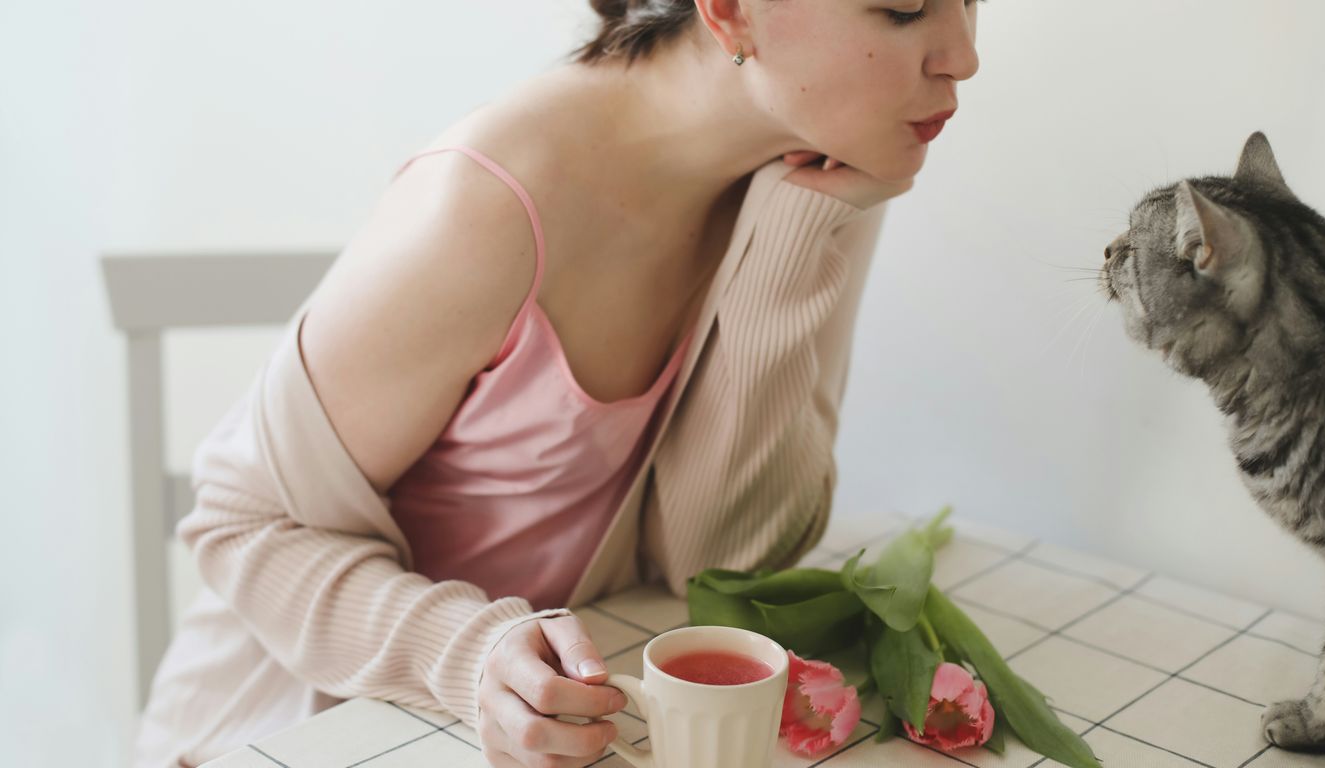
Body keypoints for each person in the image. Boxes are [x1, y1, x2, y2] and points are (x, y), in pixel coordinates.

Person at [133, 1, 980, 765]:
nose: (965, 55)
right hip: (299, 723)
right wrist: (469, 651)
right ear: (730, 11)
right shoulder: (490, 202)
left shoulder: (824, 166)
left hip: (561, 725)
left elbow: (719, 567)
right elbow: (241, 522)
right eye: (904, 8)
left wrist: (794, 236)